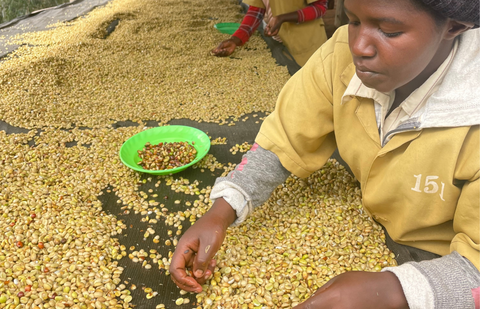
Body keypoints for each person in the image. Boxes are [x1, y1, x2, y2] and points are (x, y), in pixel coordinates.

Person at [171, 0, 480, 308]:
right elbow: (286, 135)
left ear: (453, 26)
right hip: (370, 226)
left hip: (444, 267)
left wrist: (393, 291)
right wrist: (224, 208)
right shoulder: (339, 56)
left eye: (388, 30)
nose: (358, 46)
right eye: (353, 20)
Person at [211, 0, 328, 67]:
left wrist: (283, 18)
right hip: (281, 39)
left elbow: (320, 7)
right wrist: (235, 39)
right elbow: (256, 10)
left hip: (307, 42)